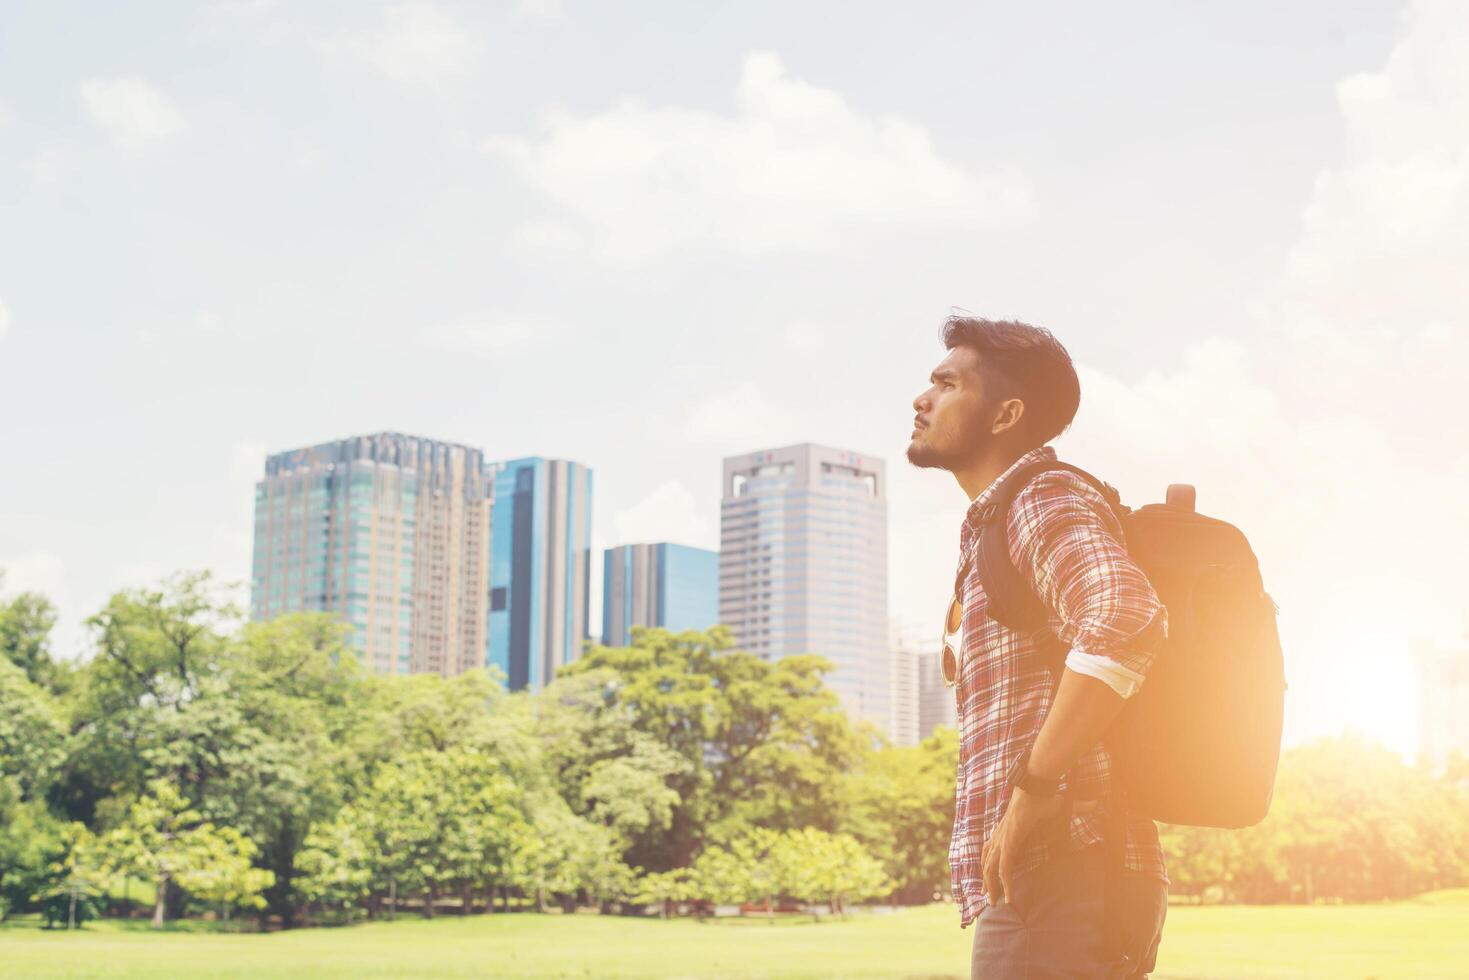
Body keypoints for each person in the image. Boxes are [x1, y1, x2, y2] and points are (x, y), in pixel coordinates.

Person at [907, 317, 1171, 979]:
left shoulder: (1039, 497)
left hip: (1061, 868)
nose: (920, 399)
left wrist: (1032, 789)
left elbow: (1126, 613)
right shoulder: (995, 525)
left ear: (1006, 415)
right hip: (1058, 873)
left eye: (944, 383)